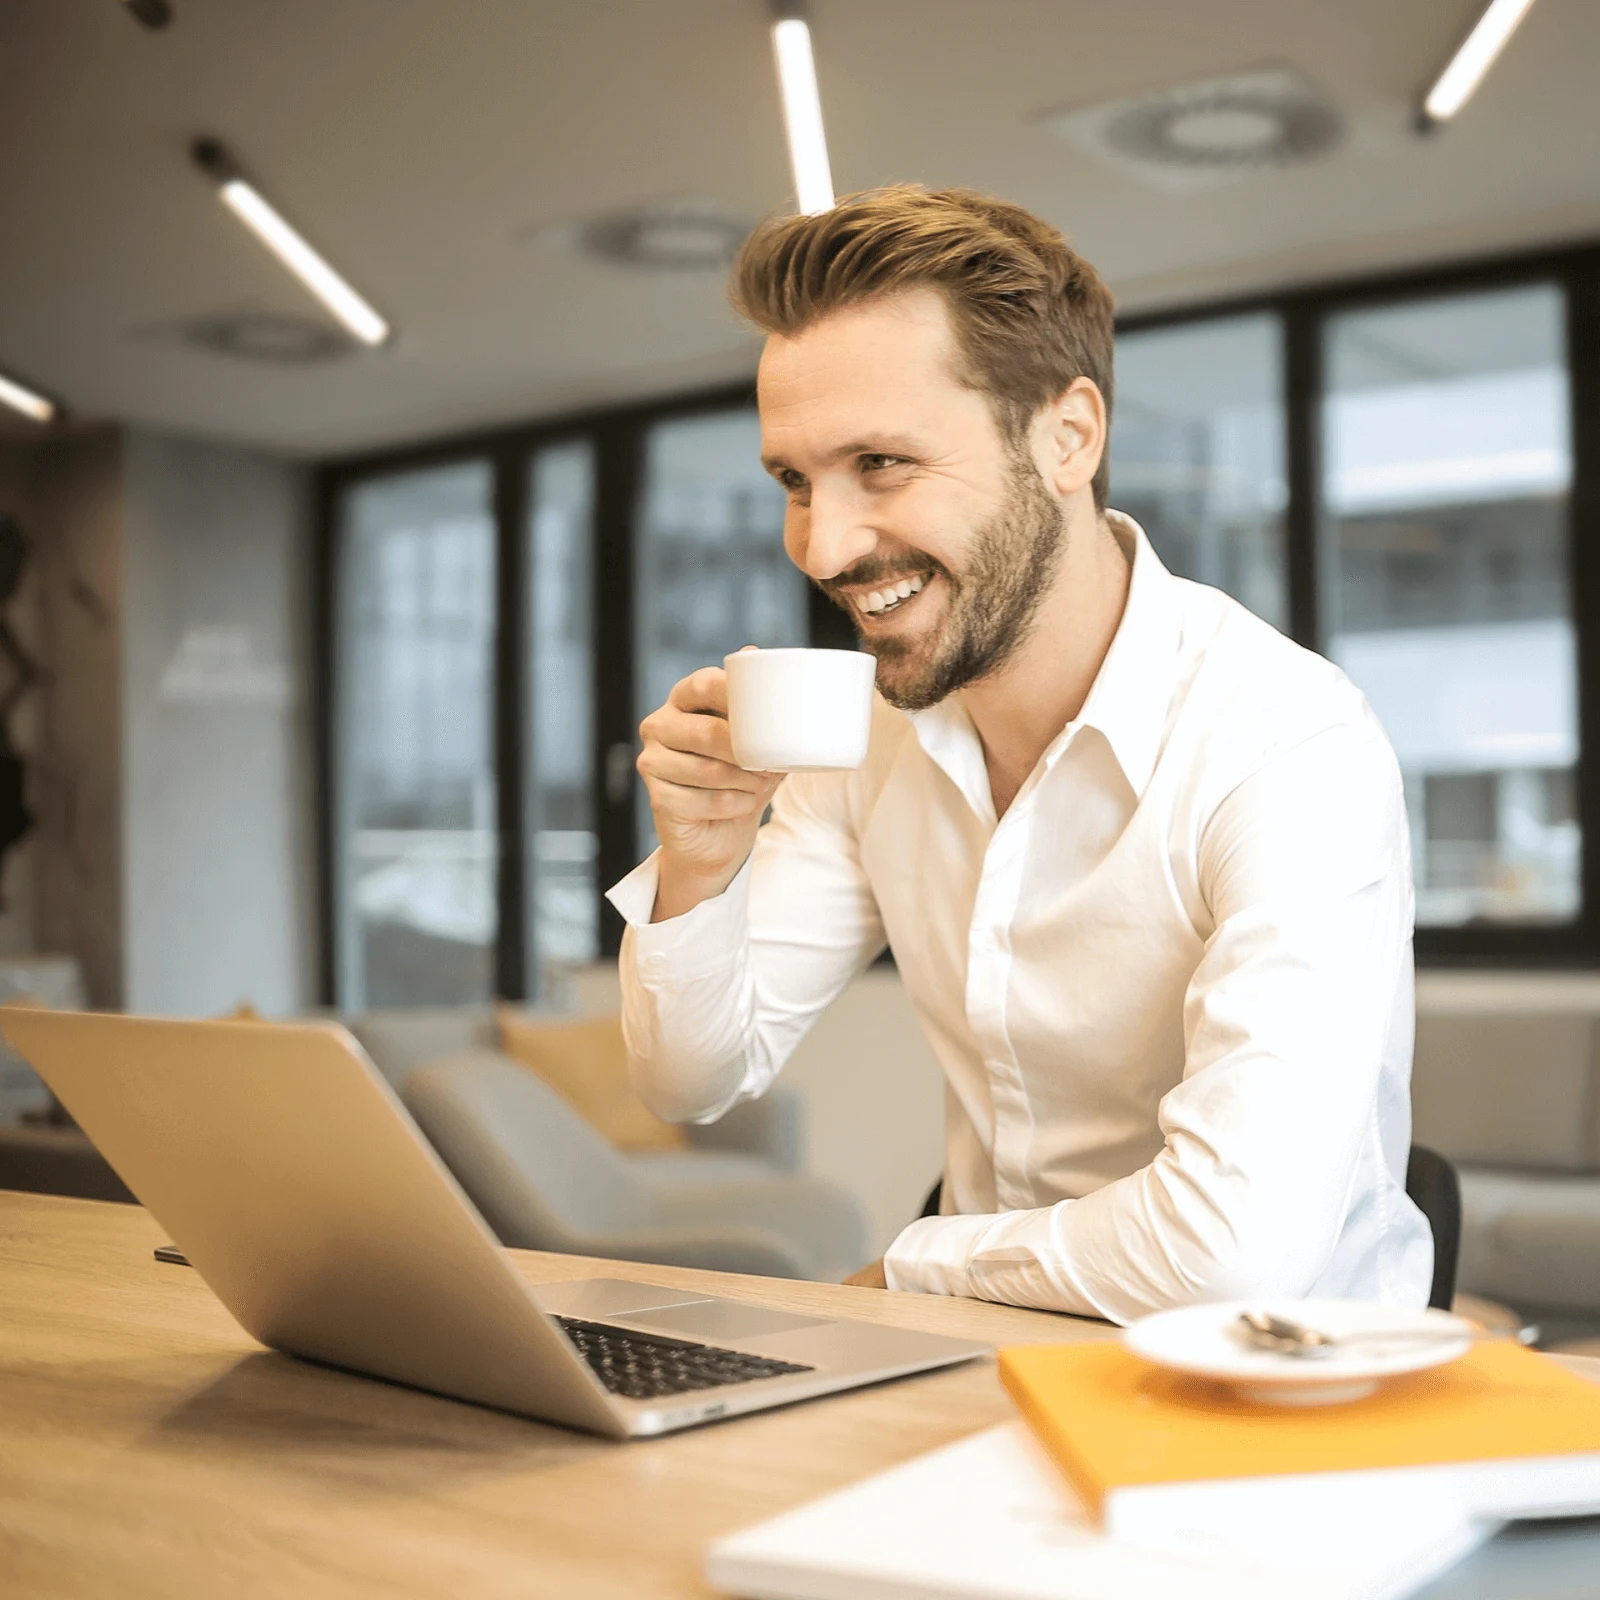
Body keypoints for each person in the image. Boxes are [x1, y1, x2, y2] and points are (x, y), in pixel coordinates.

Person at [605, 185, 1432, 1323]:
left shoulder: (1286, 740)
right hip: (982, 1366)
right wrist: (699, 866)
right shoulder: (874, 741)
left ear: (1067, 436)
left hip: (1269, 1393)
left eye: (881, 464)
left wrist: (913, 1263)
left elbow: (1230, 1253)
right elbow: (690, 1078)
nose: (825, 545)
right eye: (795, 481)